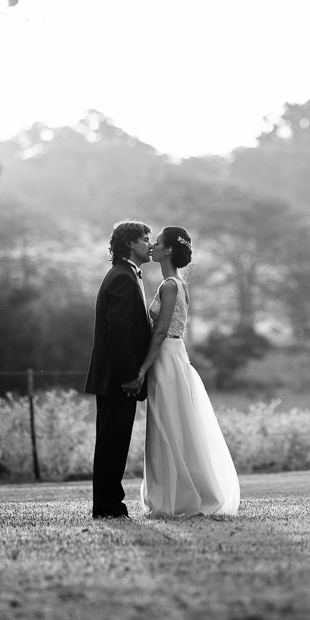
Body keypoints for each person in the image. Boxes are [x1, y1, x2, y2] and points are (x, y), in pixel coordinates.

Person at [135, 226, 240, 517]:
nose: (152, 247)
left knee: (167, 426)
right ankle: (179, 492)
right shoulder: (180, 284)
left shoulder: (169, 285)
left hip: (166, 358)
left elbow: (159, 334)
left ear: (168, 250)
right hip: (176, 357)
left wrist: (142, 369)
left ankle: (173, 497)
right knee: (175, 426)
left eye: (156, 243)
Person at [84, 220, 153, 519]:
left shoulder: (125, 274)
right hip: (117, 379)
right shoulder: (123, 278)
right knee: (112, 443)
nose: (150, 244)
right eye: (145, 239)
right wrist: (129, 376)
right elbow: (119, 331)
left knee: (113, 442)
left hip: (114, 378)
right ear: (130, 244)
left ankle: (109, 503)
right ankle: (108, 506)